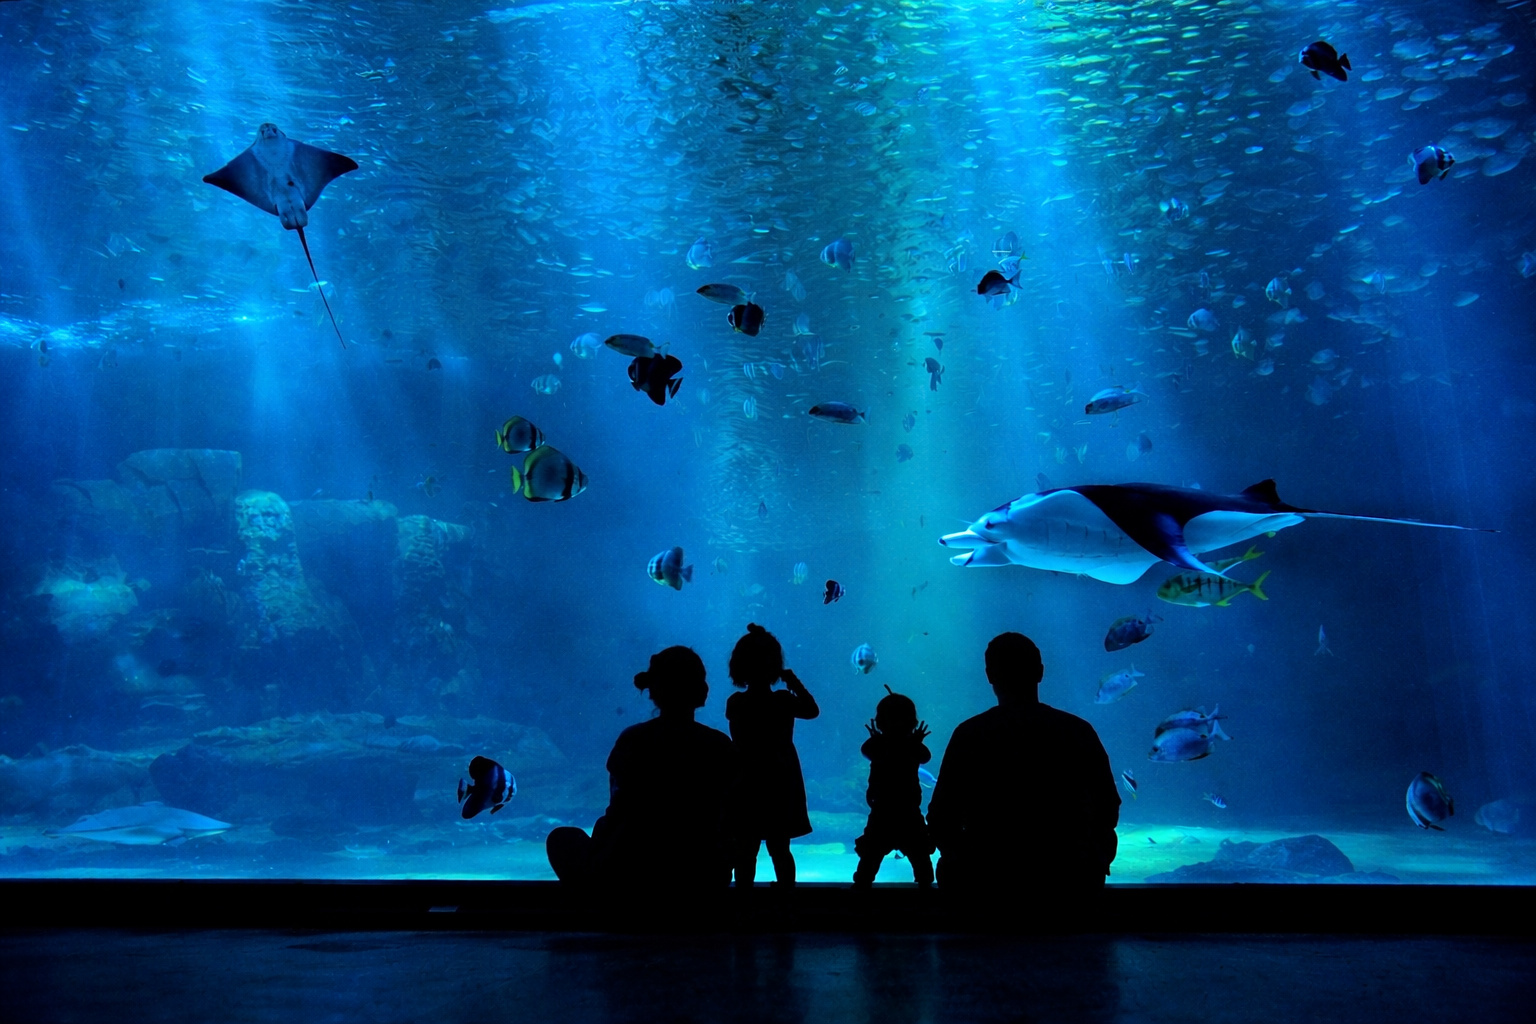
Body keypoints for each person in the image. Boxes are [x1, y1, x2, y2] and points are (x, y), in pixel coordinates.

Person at [926, 632, 1120, 896]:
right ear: (1040, 672)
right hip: (1069, 882)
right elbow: (1108, 806)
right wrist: (1093, 857)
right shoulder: (1077, 731)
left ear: (990, 676)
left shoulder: (970, 734)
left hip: (983, 884)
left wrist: (963, 856)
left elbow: (941, 815)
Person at [546, 646, 736, 893]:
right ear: (702, 692)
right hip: (703, 874)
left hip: (631, 871)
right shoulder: (719, 745)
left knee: (563, 839)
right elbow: (732, 815)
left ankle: (604, 908)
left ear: (652, 691)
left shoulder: (633, 740)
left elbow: (617, 810)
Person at [725, 623, 819, 887]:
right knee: (780, 848)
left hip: (747, 781)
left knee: (746, 849)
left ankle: (744, 903)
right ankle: (786, 902)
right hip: (780, 780)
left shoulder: (736, 702)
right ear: (775, 665)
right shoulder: (783, 701)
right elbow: (812, 710)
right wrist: (792, 681)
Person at [851, 686, 934, 888]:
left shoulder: (877, 746)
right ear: (913, 722)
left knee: (869, 859)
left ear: (879, 721)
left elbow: (867, 751)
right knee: (921, 859)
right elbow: (925, 756)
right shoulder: (912, 747)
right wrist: (914, 742)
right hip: (909, 813)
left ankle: (860, 890)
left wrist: (877, 739)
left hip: (882, 812)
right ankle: (927, 894)